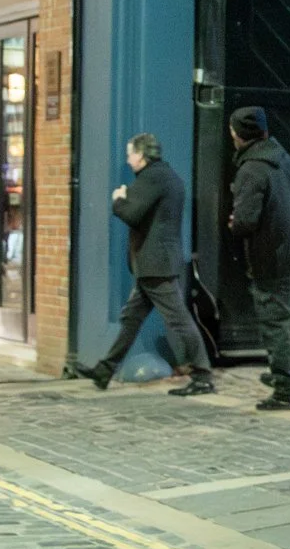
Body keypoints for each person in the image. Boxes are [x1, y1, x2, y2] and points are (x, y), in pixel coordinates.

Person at [84, 133, 215, 396]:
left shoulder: (152, 178)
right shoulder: (167, 175)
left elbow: (131, 213)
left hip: (155, 264)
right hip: (157, 262)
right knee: (131, 318)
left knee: (178, 320)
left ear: (142, 156)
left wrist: (119, 197)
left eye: (130, 153)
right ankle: (104, 370)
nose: (128, 159)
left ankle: (203, 376)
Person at [225, 107, 290, 411]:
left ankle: (285, 390)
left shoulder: (251, 169)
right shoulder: (282, 158)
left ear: (237, 134)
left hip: (272, 256)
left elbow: (246, 221)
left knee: (275, 322)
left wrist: (234, 221)